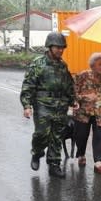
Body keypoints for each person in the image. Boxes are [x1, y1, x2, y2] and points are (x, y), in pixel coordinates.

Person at [20, 32, 76, 179]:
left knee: (57, 136)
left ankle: (54, 164)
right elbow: (28, 85)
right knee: (41, 134)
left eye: (62, 48)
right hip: (43, 104)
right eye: (58, 47)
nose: (60, 50)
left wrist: (73, 100)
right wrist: (27, 105)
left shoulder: (63, 65)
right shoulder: (38, 63)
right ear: (50, 47)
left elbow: (68, 85)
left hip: (60, 105)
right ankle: (37, 153)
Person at [73, 52, 101, 175]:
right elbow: (72, 91)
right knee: (81, 136)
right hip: (83, 112)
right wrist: (84, 97)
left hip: (99, 112)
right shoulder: (82, 75)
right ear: (92, 65)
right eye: (100, 64)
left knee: (100, 136)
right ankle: (81, 155)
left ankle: (98, 163)